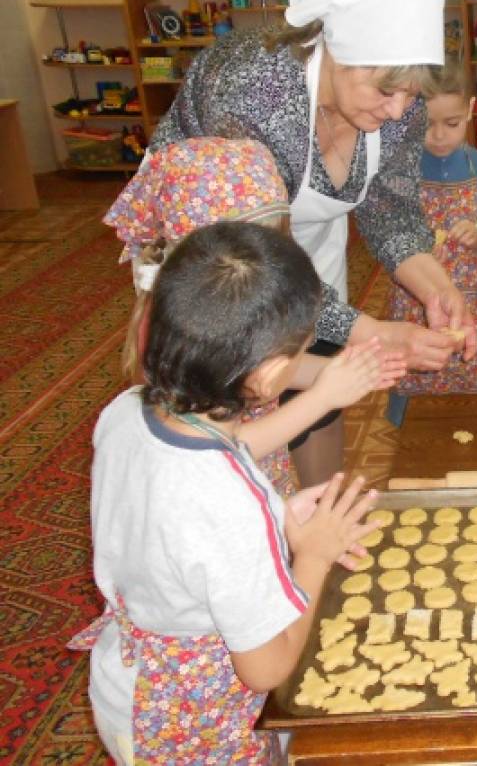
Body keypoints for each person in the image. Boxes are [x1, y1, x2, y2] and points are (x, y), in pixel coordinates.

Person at [149, 0, 475, 487]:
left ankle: (319, 508)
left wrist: (438, 287)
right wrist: (373, 334)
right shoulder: (254, 90)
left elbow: (389, 208)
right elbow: (253, 264)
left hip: (309, 245)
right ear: (339, 54)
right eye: (386, 92)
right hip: (216, 263)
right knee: (236, 394)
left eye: (412, 95)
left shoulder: (400, 104)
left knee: (319, 385)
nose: (399, 111)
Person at [68, 221, 382, 764]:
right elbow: (266, 668)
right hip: (195, 724)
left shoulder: (129, 411)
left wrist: (275, 512)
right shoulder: (227, 506)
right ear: (270, 375)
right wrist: (313, 555)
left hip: (129, 681)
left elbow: (193, 495)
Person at [103, 138, 404, 496]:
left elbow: (255, 371)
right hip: (227, 502)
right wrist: (322, 397)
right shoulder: (171, 344)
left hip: (257, 484)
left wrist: (337, 373)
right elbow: (224, 452)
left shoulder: (202, 315)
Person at [386, 64, 477, 425]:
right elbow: (386, 240)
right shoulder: (399, 172)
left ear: (470, 108)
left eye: (452, 124)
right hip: (414, 304)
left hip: (476, 307)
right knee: (417, 403)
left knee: (475, 406)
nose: (438, 136)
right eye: (426, 125)